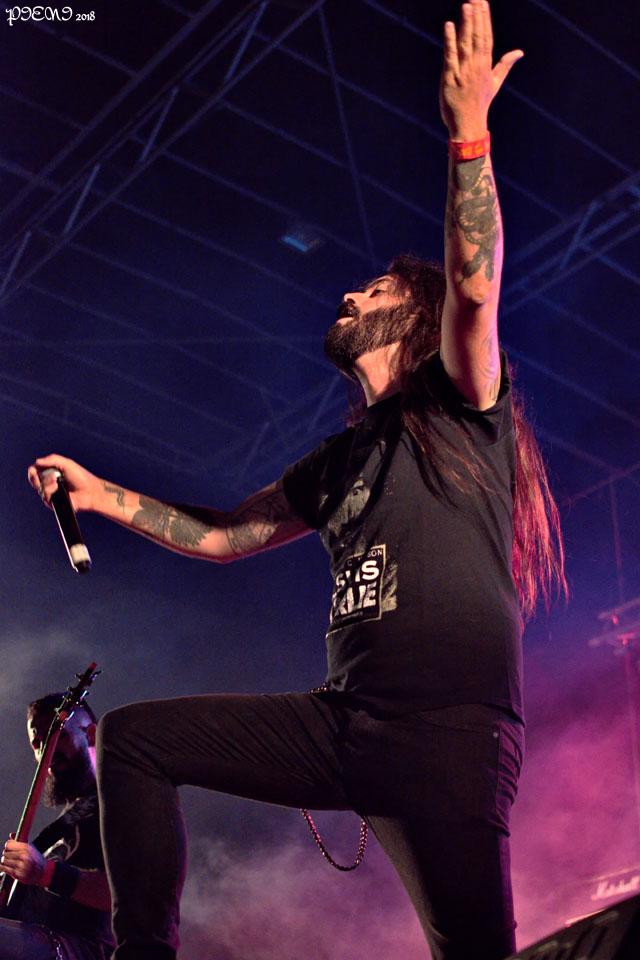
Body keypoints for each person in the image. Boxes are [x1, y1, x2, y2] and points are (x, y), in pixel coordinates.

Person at [28, 3, 566, 958]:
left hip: (448, 736)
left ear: (415, 320)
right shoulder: (337, 461)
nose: (350, 293)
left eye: (376, 290)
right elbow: (226, 536)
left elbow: (476, 286)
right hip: (347, 724)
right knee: (138, 742)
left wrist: (469, 133)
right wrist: (101, 494)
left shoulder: (461, 403)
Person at [0, 695, 114, 960]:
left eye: (58, 735)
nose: (46, 752)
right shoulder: (61, 825)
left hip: (81, 949)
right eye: (37, 743)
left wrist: (46, 872)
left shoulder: (119, 800)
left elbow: (129, 891)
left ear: (91, 735)